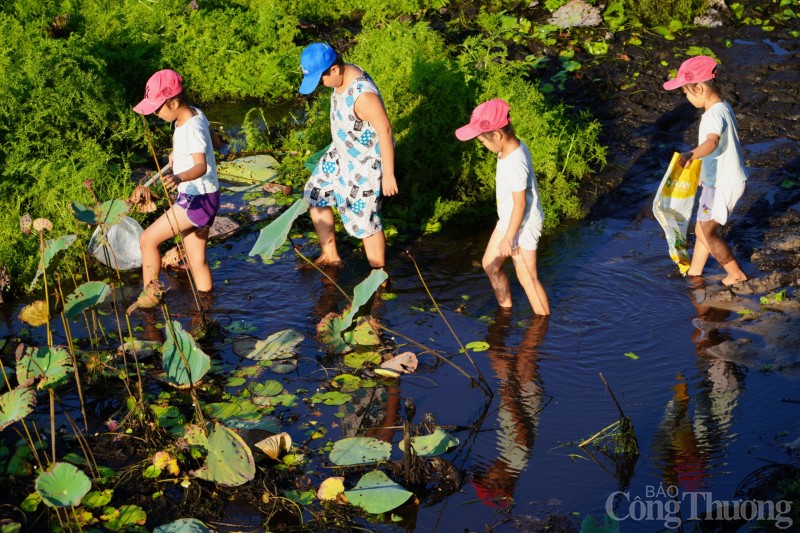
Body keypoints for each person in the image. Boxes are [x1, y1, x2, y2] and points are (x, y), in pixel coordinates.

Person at [298, 42, 398, 268]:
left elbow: (385, 130)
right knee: (316, 192)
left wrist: (389, 174)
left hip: (365, 162)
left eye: (320, 79)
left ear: (334, 69)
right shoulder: (342, 75)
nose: (321, 86)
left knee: (365, 221)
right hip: (342, 153)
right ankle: (330, 254)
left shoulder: (363, 96)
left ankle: (377, 274)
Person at [455, 99, 550, 315]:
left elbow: (520, 203)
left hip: (523, 223)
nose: (483, 145)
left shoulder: (515, 161)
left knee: (527, 278)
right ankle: (505, 313)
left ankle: (543, 324)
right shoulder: (509, 147)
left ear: (497, 135)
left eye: (482, 141)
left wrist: (510, 237)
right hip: (510, 219)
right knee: (490, 264)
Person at [132, 69, 220, 301]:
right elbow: (214, 140)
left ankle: (149, 297)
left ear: (174, 102)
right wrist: (178, 155)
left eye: (157, 108)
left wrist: (180, 177)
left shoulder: (190, 127)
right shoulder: (194, 115)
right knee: (196, 260)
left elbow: (201, 167)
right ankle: (207, 305)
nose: (155, 114)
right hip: (208, 197)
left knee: (148, 240)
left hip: (196, 200)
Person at [663, 55, 748, 286]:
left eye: (687, 93)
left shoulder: (712, 116)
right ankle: (696, 272)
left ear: (699, 88)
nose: (687, 98)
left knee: (706, 232)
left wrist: (691, 154)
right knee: (701, 226)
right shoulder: (723, 108)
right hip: (714, 180)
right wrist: (703, 174)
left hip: (726, 182)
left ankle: (735, 273)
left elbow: (711, 143)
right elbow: (719, 148)